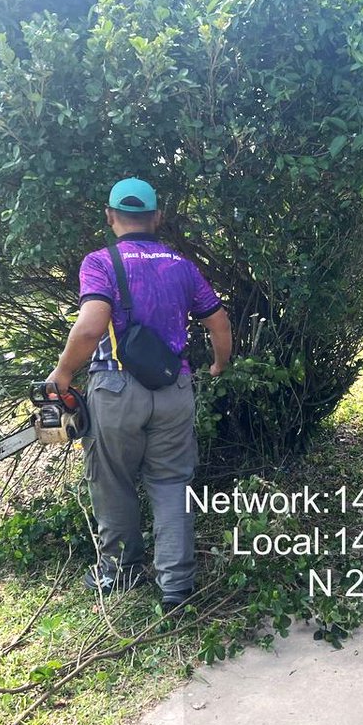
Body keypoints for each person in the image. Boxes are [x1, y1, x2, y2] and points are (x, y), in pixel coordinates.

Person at [46, 177, 232, 611]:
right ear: (157, 218)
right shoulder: (182, 266)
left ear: (111, 216)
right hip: (173, 390)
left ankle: (121, 571)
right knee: (171, 484)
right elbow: (218, 323)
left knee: (111, 481)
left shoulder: (101, 262)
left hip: (115, 388)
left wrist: (63, 373)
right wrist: (219, 364)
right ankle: (175, 588)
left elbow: (92, 325)